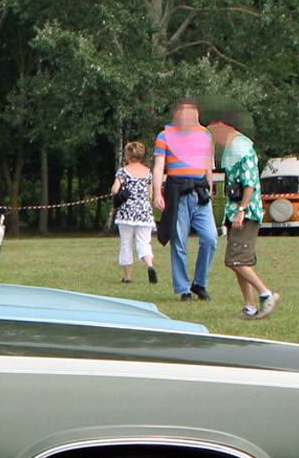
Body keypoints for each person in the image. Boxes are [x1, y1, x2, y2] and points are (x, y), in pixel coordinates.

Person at [204, 105, 279, 320]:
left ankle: (267, 295)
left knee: (235, 260)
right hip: (235, 210)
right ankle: (249, 308)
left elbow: (250, 183)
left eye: (210, 131)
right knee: (239, 260)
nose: (210, 137)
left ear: (220, 126)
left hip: (245, 212)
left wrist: (242, 210)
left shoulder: (240, 148)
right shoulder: (231, 147)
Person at [152, 99, 218, 301]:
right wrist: (157, 193)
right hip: (178, 192)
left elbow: (208, 166)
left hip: (199, 191)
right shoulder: (164, 136)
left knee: (210, 238)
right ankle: (183, 289)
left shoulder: (204, 136)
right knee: (179, 241)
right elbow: (158, 167)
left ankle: (200, 283)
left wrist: (210, 187)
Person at [111, 141, 158, 284]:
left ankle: (128, 277)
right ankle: (150, 266)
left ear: (128, 155)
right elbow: (150, 193)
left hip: (126, 213)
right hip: (144, 213)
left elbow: (114, 189)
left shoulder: (123, 171)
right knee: (144, 243)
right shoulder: (148, 172)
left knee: (126, 244)